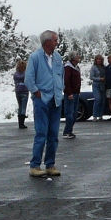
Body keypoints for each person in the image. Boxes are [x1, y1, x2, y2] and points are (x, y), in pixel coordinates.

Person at [25, 30, 64, 177]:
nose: (57, 43)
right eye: (55, 40)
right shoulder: (35, 57)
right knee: (41, 133)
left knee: (53, 134)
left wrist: (61, 88)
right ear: (47, 42)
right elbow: (29, 78)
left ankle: (50, 165)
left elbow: (61, 75)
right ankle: (35, 166)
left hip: (56, 99)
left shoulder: (57, 57)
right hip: (42, 100)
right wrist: (37, 92)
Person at [62, 53, 82, 140]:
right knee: (69, 113)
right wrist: (69, 93)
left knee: (74, 114)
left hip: (76, 93)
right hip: (70, 94)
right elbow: (66, 81)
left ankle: (69, 130)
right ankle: (67, 131)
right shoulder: (68, 68)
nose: (79, 57)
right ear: (73, 58)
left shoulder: (76, 67)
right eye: (77, 56)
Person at [89, 54, 106, 121]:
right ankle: (95, 115)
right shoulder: (93, 67)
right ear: (95, 60)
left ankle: (100, 115)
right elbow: (91, 77)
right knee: (98, 99)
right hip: (96, 85)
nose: (99, 61)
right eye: (97, 59)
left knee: (103, 100)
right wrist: (99, 79)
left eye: (100, 59)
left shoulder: (104, 67)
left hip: (103, 85)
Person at [13, 60, 29, 129]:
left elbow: (15, 81)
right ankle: (22, 123)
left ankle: (19, 122)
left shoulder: (15, 74)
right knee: (23, 107)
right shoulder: (26, 74)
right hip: (24, 91)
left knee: (20, 106)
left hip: (17, 91)